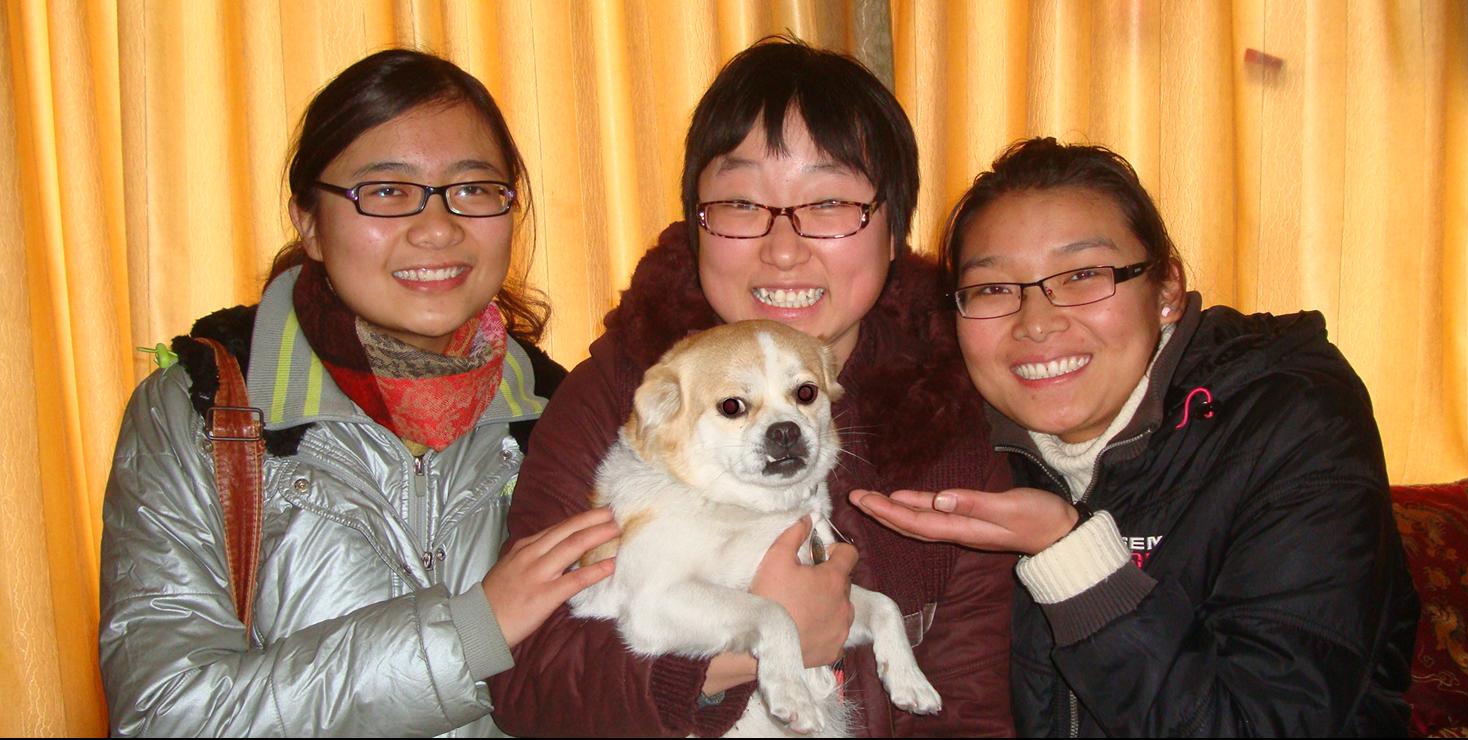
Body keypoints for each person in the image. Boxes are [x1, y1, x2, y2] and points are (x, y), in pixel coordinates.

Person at [488, 38, 1016, 737]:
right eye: (741, 203)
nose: (784, 246)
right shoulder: (617, 400)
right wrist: (728, 663)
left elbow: (967, 716)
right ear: (696, 222)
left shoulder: (956, 430)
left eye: (828, 202)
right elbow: (524, 684)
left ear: (894, 232)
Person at [98, 49, 619, 737]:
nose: (438, 228)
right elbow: (166, 717)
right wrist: (468, 635)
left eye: (474, 189)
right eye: (386, 191)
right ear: (309, 221)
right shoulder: (204, 415)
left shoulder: (568, 421)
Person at [850, 137, 1420, 736]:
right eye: (994, 289)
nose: (1037, 322)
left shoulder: (1291, 424)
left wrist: (1071, 556)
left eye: (1083, 275)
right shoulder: (958, 450)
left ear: (1168, 289)